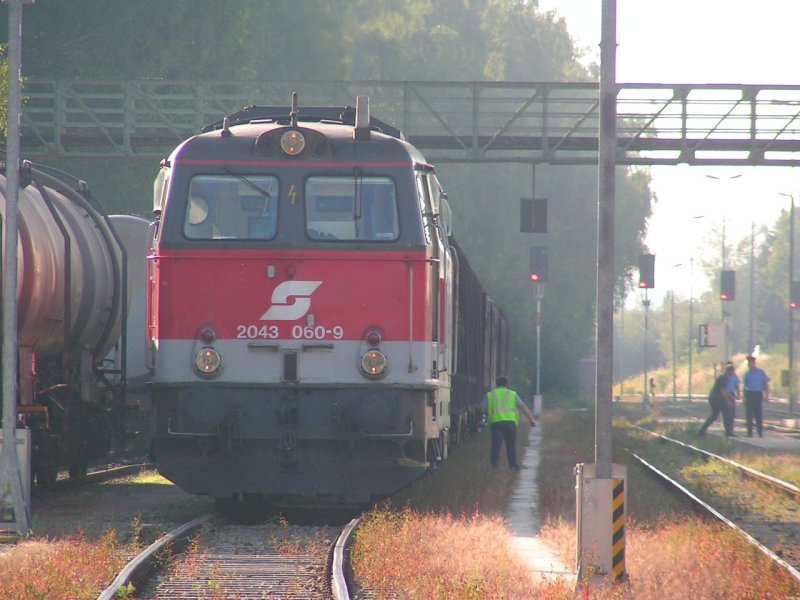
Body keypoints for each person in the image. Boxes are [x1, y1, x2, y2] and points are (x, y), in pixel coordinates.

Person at [482, 376, 536, 470]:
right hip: (510, 423)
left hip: (496, 423)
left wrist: (487, 414)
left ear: (496, 384)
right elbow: (523, 407)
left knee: (496, 445)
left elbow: (482, 408)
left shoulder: (490, 395)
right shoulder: (512, 394)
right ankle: (513, 464)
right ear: (506, 384)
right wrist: (531, 420)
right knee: (511, 444)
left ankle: (495, 465)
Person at [698, 363, 735, 437]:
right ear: (730, 371)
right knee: (727, 412)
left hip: (713, 397)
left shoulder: (723, 376)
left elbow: (722, 389)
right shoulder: (725, 377)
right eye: (733, 371)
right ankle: (728, 432)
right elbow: (722, 391)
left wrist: (730, 395)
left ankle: (701, 431)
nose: (734, 373)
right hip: (717, 398)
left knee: (714, 415)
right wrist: (728, 401)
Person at [743, 355, 770, 437]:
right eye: (748, 364)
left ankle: (760, 432)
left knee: (758, 414)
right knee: (749, 415)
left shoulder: (761, 372)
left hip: (758, 394)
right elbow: (745, 386)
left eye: (751, 363)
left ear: (754, 363)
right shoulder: (747, 374)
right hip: (749, 394)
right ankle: (749, 433)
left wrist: (767, 396)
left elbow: (766, 384)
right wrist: (744, 397)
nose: (749, 365)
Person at [725, 361, 741, 436]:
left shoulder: (735, 377)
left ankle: (730, 430)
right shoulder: (724, 376)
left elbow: (737, 385)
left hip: (732, 394)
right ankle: (728, 430)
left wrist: (738, 394)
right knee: (727, 413)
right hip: (725, 395)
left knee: (732, 413)